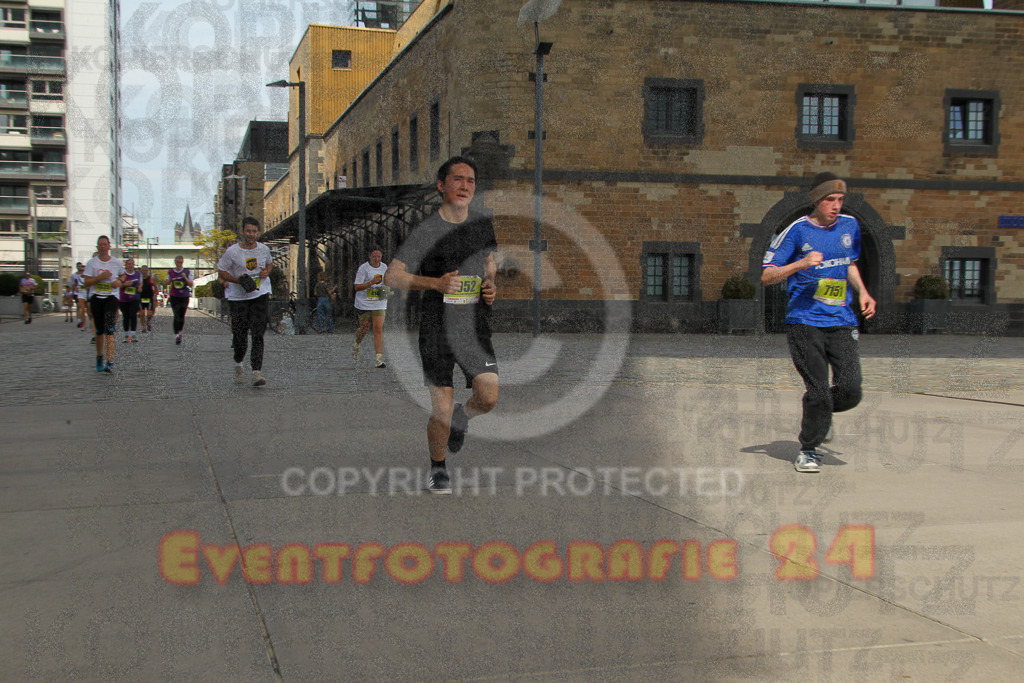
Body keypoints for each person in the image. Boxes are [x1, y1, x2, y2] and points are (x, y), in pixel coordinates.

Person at [385, 156, 499, 494]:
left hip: (474, 325)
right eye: (458, 179)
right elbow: (393, 275)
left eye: (471, 180)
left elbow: (490, 262)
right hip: (436, 325)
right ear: (441, 186)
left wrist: (491, 284)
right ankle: (438, 468)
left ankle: (464, 418)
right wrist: (434, 284)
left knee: (489, 397)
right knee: (441, 407)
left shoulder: (481, 225)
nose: (465, 185)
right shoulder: (426, 230)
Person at [762, 172, 877, 473]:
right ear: (817, 201)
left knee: (851, 388)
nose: (836, 206)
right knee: (818, 389)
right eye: (830, 200)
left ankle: (821, 412)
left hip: (841, 319)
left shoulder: (850, 226)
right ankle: (809, 449)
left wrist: (863, 292)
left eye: (840, 200)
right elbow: (767, 275)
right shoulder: (797, 231)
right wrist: (800, 263)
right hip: (804, 321)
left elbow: (848, 263)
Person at [218, 216, 273, 387]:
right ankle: (238, 364)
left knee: (258, 333)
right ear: (243, 231)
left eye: (254, 231)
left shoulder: (263, 249)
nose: (251, 234)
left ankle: (256, 371)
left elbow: (269, 264)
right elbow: (222, 271)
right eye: (248, 231)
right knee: (241, 336)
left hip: (260, 294)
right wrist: (237, 280)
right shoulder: (233, 252)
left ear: (258, 232)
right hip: (239, 297)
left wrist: (266, 272)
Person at [83, 235, 125, 372]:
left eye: (105, 244)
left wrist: (119, 282)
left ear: (109, 246)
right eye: (100, 245)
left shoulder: (116, 263)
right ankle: (100, 356)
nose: (102, 247)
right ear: (97, 247)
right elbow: (86, 283)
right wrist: (99, 278)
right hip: (96, 297)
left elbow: (123, 275)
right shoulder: (92, 263)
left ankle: (110, 360)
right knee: (100, 331)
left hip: (111, 297)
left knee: (109, 328)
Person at [352, 245, 388, 368]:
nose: (377, 259)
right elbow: (357, 287)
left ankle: (379, 359)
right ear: (370, 257)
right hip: (364, 302)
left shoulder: (384, 267)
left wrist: (387, 288)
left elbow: (387, 282)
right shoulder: (363, 269)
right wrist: (371, 283)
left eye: (379, 256)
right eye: (374, 257)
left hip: (379, 302)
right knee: (365, 328)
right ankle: (357, 343)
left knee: (378, 328)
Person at [167, 256, 193, 344]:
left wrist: (185, 277)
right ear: (175, 262)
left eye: (181, 262)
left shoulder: (186, 271)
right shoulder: (171, 272)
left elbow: (191, 284)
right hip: (174, 296)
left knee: (182, 316)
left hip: (184, 296)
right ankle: (176, 335)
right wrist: (166, 281)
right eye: (178, 262)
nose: (179, 264)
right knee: (176, 314)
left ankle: (180, 332)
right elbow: (167, 281)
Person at [118, 258, 143, 342]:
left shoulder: (138, 274)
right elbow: (118, 285)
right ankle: (126, 334)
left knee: (133, 315)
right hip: (123, 299)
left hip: (135, 298)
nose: (130, 265)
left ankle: (133, 334)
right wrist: (125, 284)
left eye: (132, 264)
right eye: (128, 264)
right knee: (126, 316)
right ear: (126, 265)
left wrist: (139, 288)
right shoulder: (122, 274)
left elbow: (140, 286)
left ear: (134, 265)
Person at [71, 262, 90, 330]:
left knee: (89, 310)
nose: (82, 272)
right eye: (81, 270)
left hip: (87, 294)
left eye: (83, 270)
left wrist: (88, 287)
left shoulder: (88, 277)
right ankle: (83, 324)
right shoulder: (77, 277)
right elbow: (74, 284)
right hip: (80, 294)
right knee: (81, 308)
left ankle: (91, 321)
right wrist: (75, 289)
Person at [139, 265, 156, 332]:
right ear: (141, 271)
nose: (144, 272)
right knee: (142, 313)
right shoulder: (139, 279)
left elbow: (155, 288)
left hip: (149, 298)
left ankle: (148, 321)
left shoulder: (151, 279)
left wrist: (155, 295)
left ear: (148, 271)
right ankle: (143, 327)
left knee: (149, 313)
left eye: (146, 270)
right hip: (141, 298)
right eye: (143, 270)